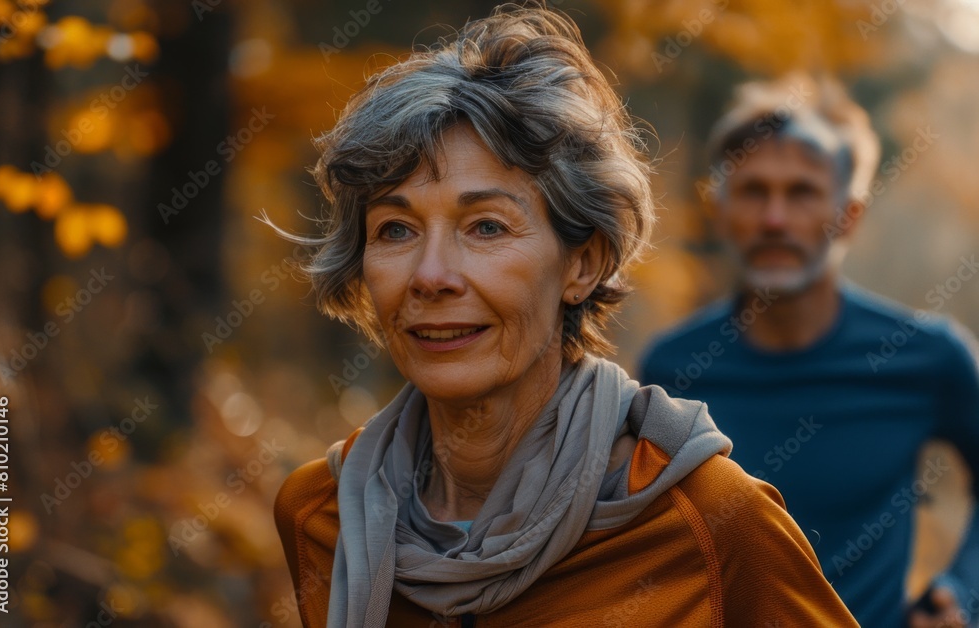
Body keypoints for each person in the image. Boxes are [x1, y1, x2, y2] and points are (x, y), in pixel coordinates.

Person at [272, 5, 858, 627]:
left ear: (582, 264)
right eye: (395, 229)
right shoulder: (321, 514)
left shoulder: (710, 519)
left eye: (486, 226)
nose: (430, 275)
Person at [639, 74, 979, 628]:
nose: (775, 219)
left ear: (849, 214)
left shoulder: (929, 359)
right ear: (720, 211)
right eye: (753, 191)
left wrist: (963, 593)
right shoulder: (671, 370)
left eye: (801, 192)